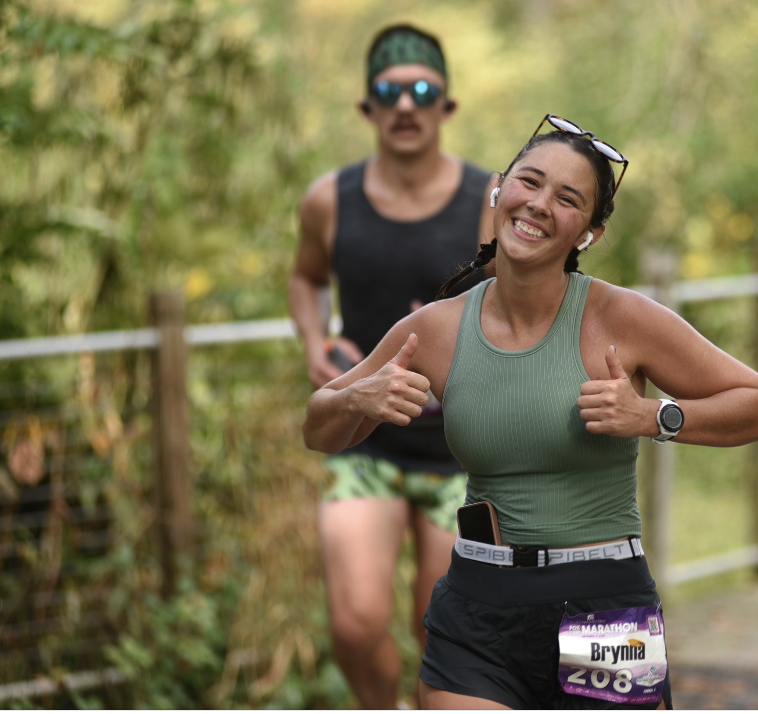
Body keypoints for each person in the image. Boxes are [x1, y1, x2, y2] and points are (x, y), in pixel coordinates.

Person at [301, 113, 758, 710]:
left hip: (604, 607)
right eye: (529, 182)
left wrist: (651, 417)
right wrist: (356, 398)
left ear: (590, 233)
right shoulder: (437, 329)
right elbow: (319, 425)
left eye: (567, 198)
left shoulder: (621, 317)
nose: (538, 204)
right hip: (477, 609)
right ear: (498, 190)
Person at [288, 23, 493, 709]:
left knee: (439, 630)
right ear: (367, 107)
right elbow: (305, 277)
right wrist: (315, 342)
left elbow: (520, 304)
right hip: (363, 442)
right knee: (354, 625)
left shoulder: (490, 201)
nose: (406, 105)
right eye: (390, 91)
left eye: (423, 92)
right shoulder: (329, 200)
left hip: (463, 452)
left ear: (447, 106)